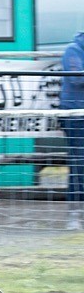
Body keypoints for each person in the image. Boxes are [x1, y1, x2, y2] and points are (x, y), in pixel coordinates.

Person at [60, 31, 84, 230]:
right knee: (78, 163)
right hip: (76, 115)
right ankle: (74, 213)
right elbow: (77, 79)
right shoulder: (73, 50)